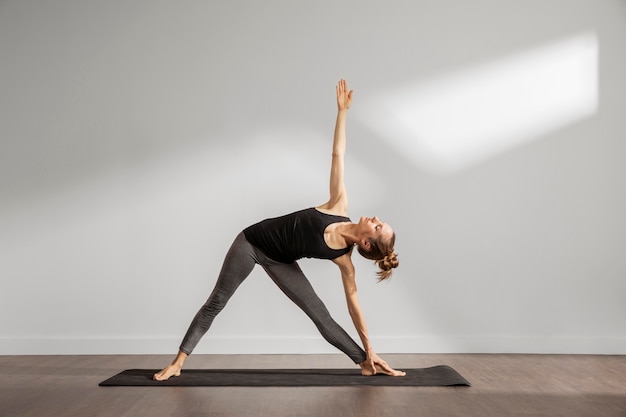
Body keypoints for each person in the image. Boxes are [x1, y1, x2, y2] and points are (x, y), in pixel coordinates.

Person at [154, 79, 404, 381]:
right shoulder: (339, 205)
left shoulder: (343, 260)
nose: (375, 218)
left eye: (377, 225)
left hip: (281, 260)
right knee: (217, 301)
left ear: (366, 243)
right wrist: (343, 113)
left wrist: (370, 349)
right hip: (251, 243)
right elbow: (338, 155)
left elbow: (354, 307)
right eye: (379, 220)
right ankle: (178, 362)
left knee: (320, 316)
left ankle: (365, 363)